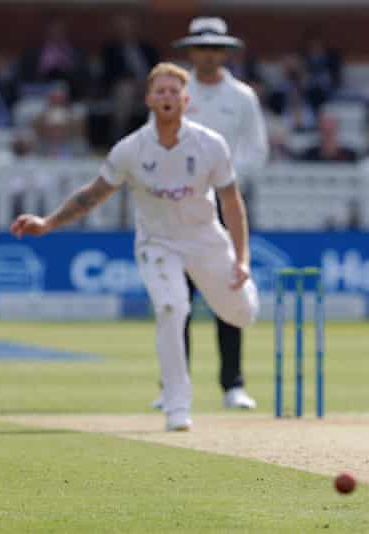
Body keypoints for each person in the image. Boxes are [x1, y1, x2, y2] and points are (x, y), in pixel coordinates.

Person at [10, 62, 259, 431]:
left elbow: (232, 203)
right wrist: (48, 223)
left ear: (186, 100)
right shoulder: (131, 149)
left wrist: (242, 259)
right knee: (172, 307)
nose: (167, 96)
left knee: (242, 314)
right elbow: (93, 194)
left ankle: (238, 313)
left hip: (205, 238)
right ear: (149, 100)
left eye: (174, 91)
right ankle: (176, 405)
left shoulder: (210, 144)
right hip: (157, 242)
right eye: (160, 91)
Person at [164, 16, 268, 410]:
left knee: (228, 294)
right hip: (177, 207)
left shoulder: (242, 97)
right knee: (176, 301)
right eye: (201, 48)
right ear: (190, 51)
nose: (208, 55)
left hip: (224, 206)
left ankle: (233, 385)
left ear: (225, 52)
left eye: (215, 48)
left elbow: (256, 151)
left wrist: (223, 179)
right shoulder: (174, 92)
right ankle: (174, 389)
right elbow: (155, 143)